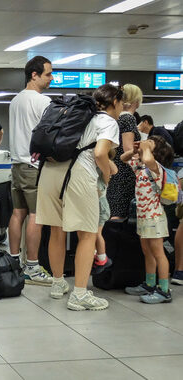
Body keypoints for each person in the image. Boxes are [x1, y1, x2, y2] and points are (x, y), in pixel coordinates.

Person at [38, 83, 121, 311]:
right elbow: (100, 153)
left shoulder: (76, 114)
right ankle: (80, 294)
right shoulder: (107, 121)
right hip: (78, 174)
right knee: (88, 233)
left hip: (50, 171)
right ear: (115, 102)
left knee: (56, 229)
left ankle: (57, 284)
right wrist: (106, 174)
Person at [8, 55, 54, 286]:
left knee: (18, 214)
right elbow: (50, 136)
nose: (51, 79)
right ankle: (33, 267)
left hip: (17, 164)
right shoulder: (42, 101)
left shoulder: (15, 100)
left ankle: (14, 261)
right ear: (34, 75)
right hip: (34, 166)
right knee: (37, 215)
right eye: (48, 74)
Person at [122, 136, 174, 304]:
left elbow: (148, 158)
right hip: (143, 217)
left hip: (155, 217)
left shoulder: (156, 167)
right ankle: (150, 284)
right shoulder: (142, 168)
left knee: (158, 252)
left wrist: (145, 149)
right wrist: (136, 150)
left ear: (155, 151)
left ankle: (164, 290)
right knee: (147, 251)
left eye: (150, 143)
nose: (145, 143)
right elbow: (123, 159)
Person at [107, 83, 142, 220]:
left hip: (114, 167)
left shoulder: (116, 117)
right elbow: (128, 149)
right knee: (120, 213)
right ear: (136, 100)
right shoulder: (128, 118)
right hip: (125, 173)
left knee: (113, 209)